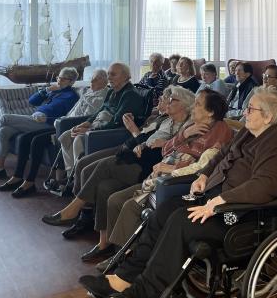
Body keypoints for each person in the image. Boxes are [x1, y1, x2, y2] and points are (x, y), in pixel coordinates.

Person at [84, 88, 277, 298]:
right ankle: (123, 278)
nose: (244, 113)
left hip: (241, 215)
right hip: (216, 199)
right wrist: (204, 175)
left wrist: (220, 201)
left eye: (250, 109)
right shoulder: (249, 132)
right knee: (166, 209)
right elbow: (220, 155)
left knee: (181, 222)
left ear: (268, 116)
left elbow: (266, 185)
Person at [42, 86, 194, 256]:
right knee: (103, 186)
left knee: (103, 166)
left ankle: (74, 209)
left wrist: (153, 142)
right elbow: (146, 138)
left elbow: (175, 151)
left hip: (145, 167)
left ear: (184, 105)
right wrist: (143, 142)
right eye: (168, 99)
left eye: (172, 100)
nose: (167, 102)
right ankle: (103, 241)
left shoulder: (187, 127)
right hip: (136, 155)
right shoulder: (166, 120)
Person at [103, 90, 233, 254]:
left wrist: (172, 168)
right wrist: (184, 134)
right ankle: (114, 250)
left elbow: (205, 167)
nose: (193, 107)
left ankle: (125, 256)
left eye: (198, 104)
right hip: (159, 175)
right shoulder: (190, 125)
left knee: (130, 206)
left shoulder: (221, 131)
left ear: (211, 112)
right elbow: (165, 150)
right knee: (114, 200)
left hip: (177, 182)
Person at [0, 67, 80, 181]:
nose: (59, 81)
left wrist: (48, 118)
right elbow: (32, 101)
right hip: (34, 118)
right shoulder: (54, 91)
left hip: (47, 124)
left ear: (71, 82)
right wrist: (46, 90)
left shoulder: (72, 97)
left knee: (5, 118)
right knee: (4, 130)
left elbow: (68, 117)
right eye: (58, 77)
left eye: (63, 79)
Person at [50, 62, 145, 188]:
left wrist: (90, 130)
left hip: (111, 131)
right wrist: (87, 123)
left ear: (125, 77)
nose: (109, 77)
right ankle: (70, 176)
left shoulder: (130, 95)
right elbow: (100, 110)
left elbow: (116, 122)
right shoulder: (112, 91)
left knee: (78, 139)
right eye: (108, 74)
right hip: (98, 123)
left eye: (113, 74)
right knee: (66, 136)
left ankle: (77, 181)